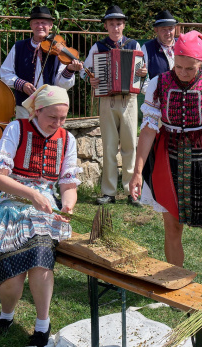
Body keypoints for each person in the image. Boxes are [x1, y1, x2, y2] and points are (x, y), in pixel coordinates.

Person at [130, 30, 202, 290]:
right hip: (168, 155)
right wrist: (137, 172)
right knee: (172, 225)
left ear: (200, 64)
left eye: (190, 68)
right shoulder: (158, 83)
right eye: (179, 66)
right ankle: (177, 280)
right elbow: (149, 128)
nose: (183, 72)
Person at [0, 85, 81, 347]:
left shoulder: (68, 139)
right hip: (11, 203)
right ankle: (6, 316)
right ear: (37, 111)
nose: (58, 123)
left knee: (40, 262)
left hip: (45, 208)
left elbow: (68, 185)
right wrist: (31, 194)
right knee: (13, 275)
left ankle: (42, 325)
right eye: (52, 117)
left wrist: (68, 207)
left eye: (63, 118)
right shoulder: (16, 129)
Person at [81, 5, 147, 206]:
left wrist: (142, 74)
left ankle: (131, 192)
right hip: (107, 100)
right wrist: (91, 79)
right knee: (109, 146)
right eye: (111, 24)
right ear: (106, 26)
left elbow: (143, 72)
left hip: (129, 101)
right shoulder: (98, 47)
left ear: (123, 25)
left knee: (130, 146)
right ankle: (108, 192)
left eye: (118, 24)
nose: (115, 27)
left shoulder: (134, 44)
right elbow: (85, 72)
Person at [0, 6, 82, 120]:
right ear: (31, 25)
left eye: (43, 23)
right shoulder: (19, 47)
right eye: (36, 23)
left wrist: (70, 70)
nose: (40, 26)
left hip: (50, 106)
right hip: (25, 107)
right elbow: (5, 73)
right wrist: (22, 84)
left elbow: (62, 85)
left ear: (50, 25)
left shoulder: (59, 50)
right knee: (25, 137)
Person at [141, 10, 177, 93]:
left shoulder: (182, 45)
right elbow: (143, 80)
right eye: (164, 29)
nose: (168, 33)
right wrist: (156, 95)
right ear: (156, 29)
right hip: (156, 100)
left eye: (170, 29)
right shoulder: (147, 48)